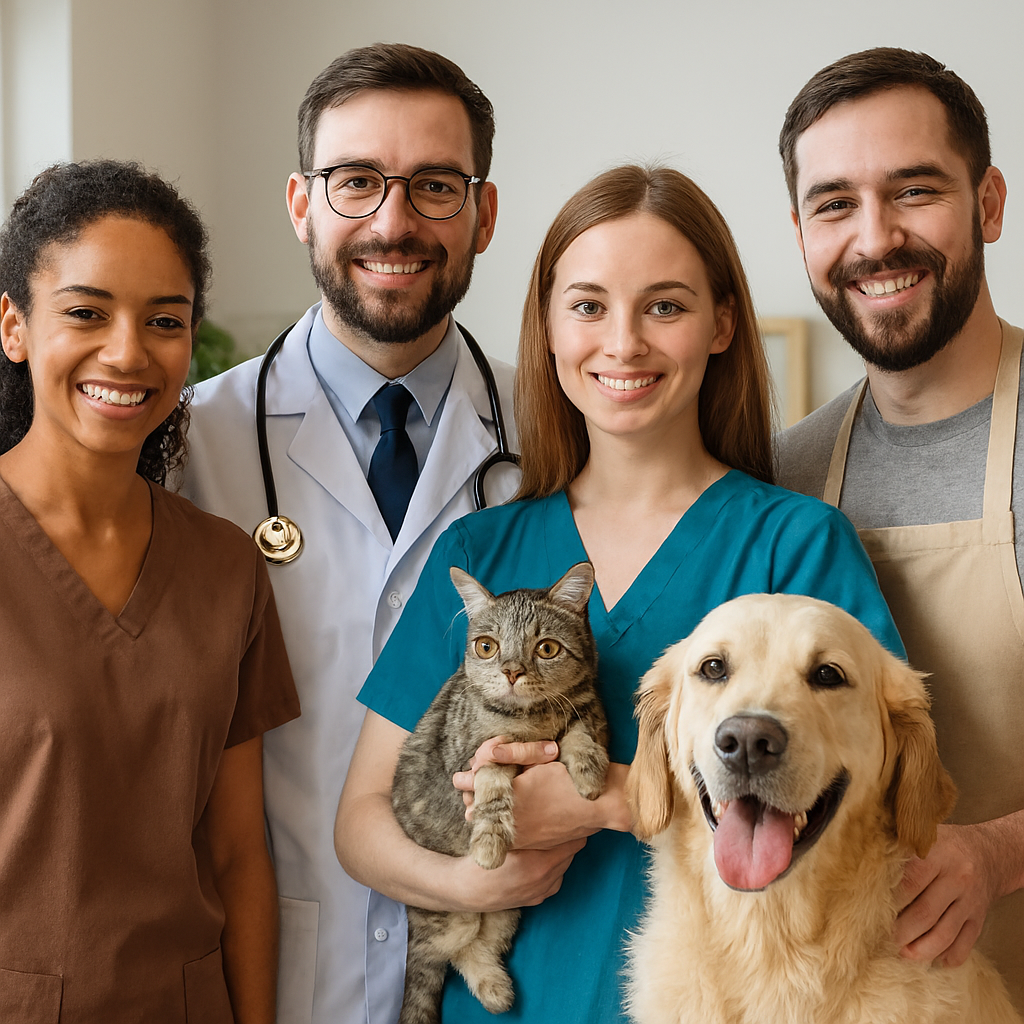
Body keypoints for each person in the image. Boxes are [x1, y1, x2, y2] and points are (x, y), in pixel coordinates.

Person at [338, 164, 904, 1023]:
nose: (624, 343)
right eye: (589, 306)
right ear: (551, 329)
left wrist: (608, 797)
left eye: (666, 307)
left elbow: (875, 803)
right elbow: (362, 821)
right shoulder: (482, 550)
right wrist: (481, 873)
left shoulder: (795, 544)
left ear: (721, 324)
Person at [180, 43, 512, 1024]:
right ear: (300, 204)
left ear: (483, 214)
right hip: (274, 981)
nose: (393, 221)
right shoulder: (189, 446)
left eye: (435, 186)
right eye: (356, 181)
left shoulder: (556, 440)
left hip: (501, 980)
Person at [0, 160, 299, 1022]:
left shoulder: (225, 568)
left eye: (163, 321)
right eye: (86, 313)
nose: (128, 352)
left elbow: (240, 855)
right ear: (15, 327)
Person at [775, 47, 1024, 1011]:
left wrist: (1001, 851)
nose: (875, 239)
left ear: (989, 203)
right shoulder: (787, 474)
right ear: (801, 233)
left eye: (914, 191)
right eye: (834, 203)